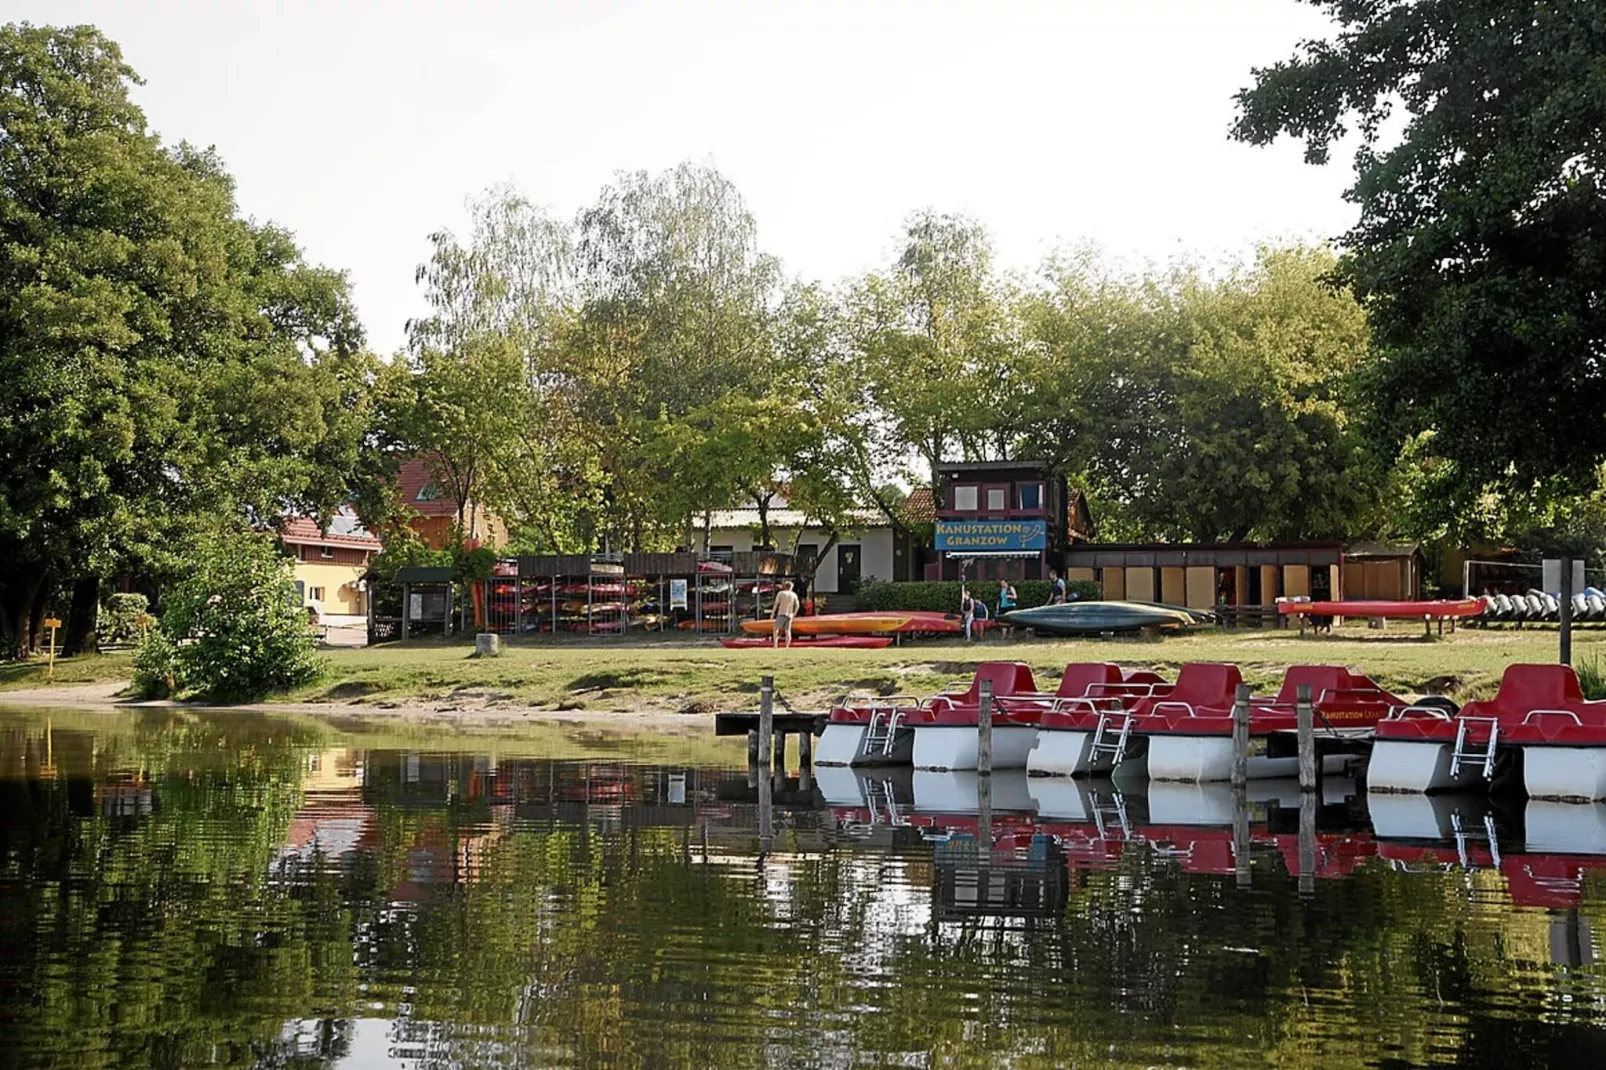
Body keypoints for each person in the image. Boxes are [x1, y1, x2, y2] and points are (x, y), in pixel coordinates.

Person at [771, 580, 801, 648]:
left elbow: (776, 604)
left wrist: (773, 613)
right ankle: (787, 646)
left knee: (775, 629)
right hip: (789, 615)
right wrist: (794, 614)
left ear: (785, 586)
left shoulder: (781, 593)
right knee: (788, 631)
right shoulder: (794, 594)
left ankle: (775, 644)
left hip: (781, 613)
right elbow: (797, 605)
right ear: (791, 587)